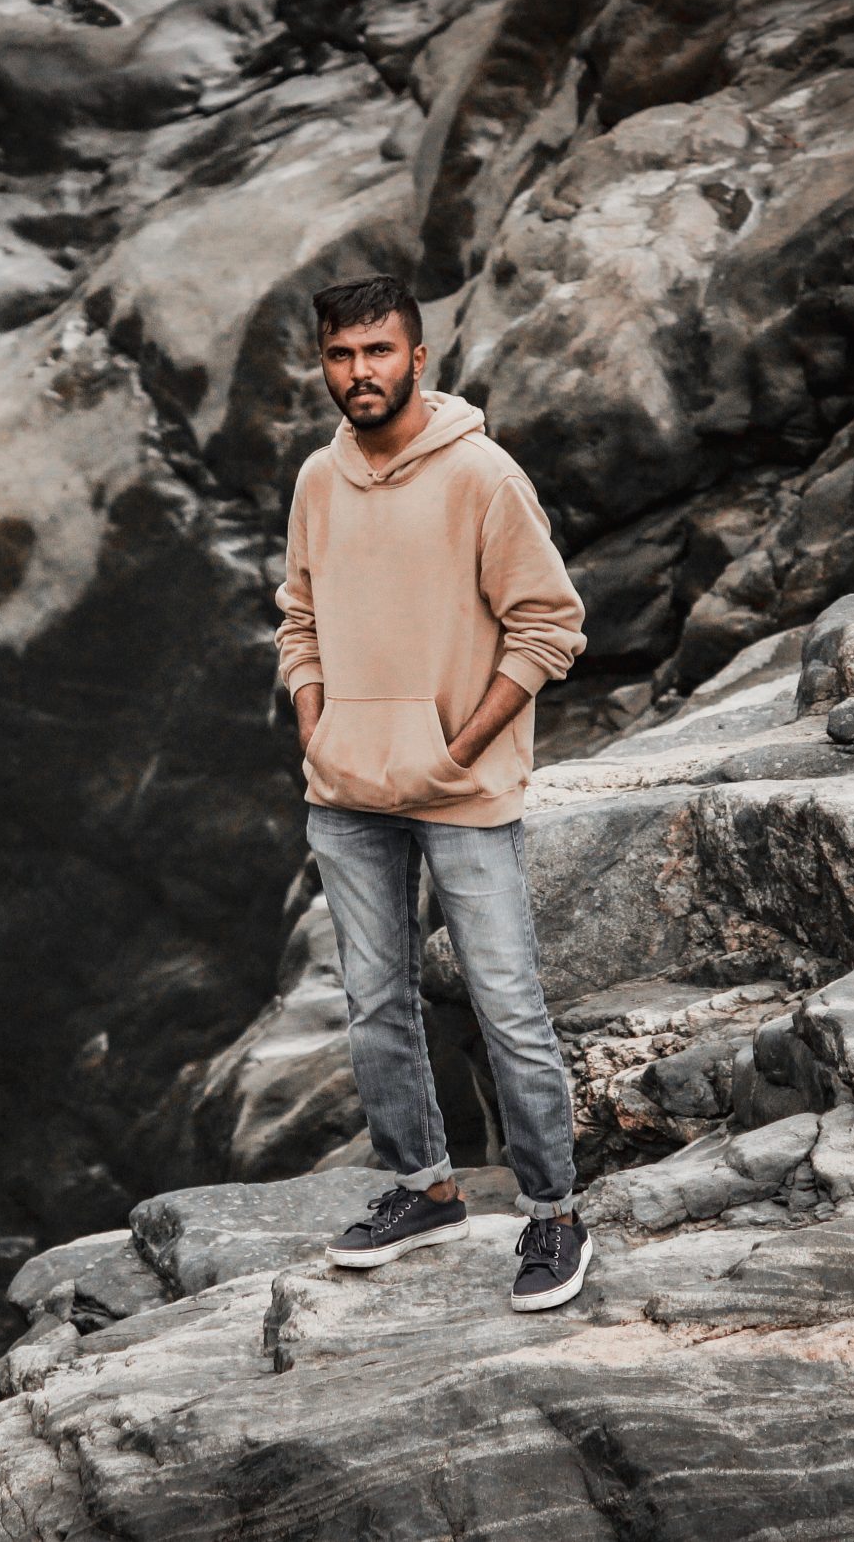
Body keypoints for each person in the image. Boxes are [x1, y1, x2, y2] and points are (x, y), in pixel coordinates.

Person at [271, 273, 594, 1311]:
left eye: (377, 352)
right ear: (321, 365)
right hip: (347, 793)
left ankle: (553, 1215)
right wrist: (316, 720)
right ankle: (424, 1189)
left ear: (417, 358)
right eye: (339, 355)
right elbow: (298, 617)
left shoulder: (482, 478)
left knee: (507, 1007)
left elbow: (550, 624)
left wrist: (460, 743)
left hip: (460, 794)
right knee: (373, 1006)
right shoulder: (317, 483)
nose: (357, 373)